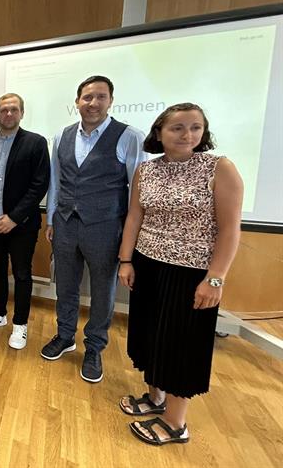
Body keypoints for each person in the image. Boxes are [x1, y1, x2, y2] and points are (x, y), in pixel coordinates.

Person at [116, 103, 242, 446]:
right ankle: (155, 397)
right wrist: (126, 261)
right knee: (149, 335)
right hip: (148, 264)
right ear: (160, 133)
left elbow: (231, 229)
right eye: (178, 128)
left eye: (195, 128)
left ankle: (175, 422)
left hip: (192, 273)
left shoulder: (220, 168)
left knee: (181, 344)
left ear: (204, 132)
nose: (187, 135)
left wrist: (215, 278)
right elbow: (134, 217)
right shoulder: (147, 170)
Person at [42, 75, 147, 383]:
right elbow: (56, 182)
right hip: (65, 224)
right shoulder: (62, 136)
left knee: (103, 291)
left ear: (110, 101)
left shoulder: (130, 136)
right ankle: (65, 336)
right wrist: (51, 220)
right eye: (87, 97)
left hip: (105, 227)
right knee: (66, 286)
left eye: (100, 97)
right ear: (77, 101)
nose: (93, 103)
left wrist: (129, 239)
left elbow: (136, 195)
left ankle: (94, 347)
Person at [0, 94, 50, 349]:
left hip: (22, 226)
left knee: (22, 274)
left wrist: (14, 218)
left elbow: (39, 185)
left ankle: (20, 325)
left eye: (13, 109)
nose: (8, 114)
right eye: (3, 110)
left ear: (21, 113)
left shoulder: (36, 143)